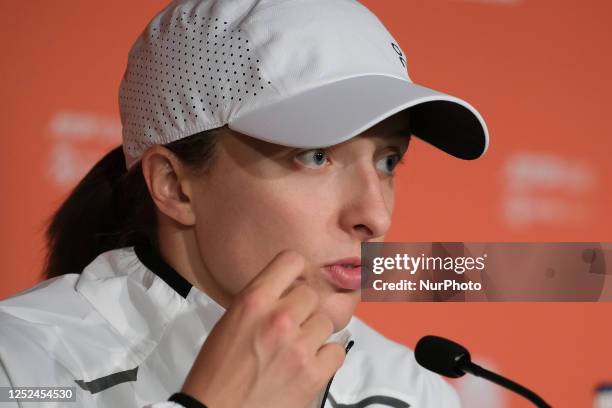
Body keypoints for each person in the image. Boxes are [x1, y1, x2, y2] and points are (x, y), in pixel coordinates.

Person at [0, 0, 488, 407]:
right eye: (316, 156)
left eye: (388, 161)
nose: (374, 216)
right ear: (173, 185)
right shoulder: (19, 370)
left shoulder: (415, 392)